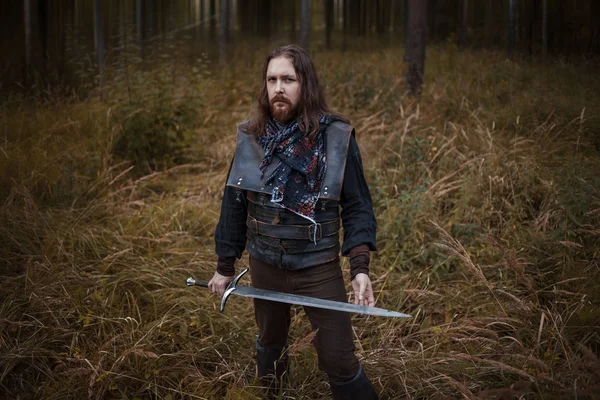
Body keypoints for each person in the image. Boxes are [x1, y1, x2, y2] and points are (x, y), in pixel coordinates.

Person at [208, 44, 379, 400]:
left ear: (306, 85)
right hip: (265, 261)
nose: (278, 88)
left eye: (288, 79)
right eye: (271, 79)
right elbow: (234, 203)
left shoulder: (336, 137)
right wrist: (225, 265)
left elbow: (358, 206)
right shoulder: (252, 137)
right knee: (270, 344)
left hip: (317, 264)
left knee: (339, 358)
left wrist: (359, 268)